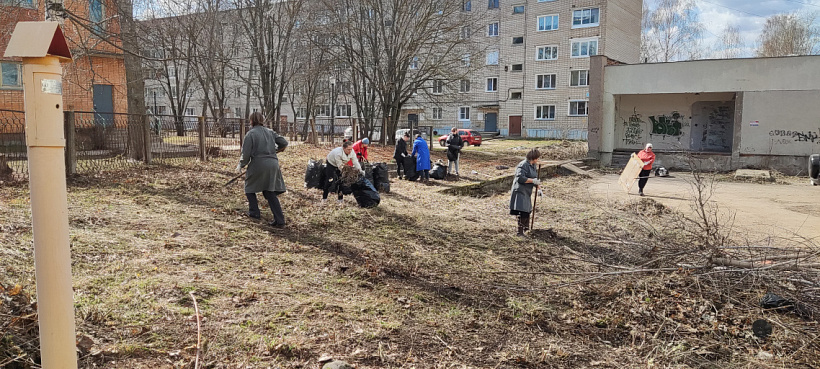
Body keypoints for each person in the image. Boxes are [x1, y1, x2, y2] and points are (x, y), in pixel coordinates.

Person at [236, 112, 288, 228]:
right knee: (269, 191)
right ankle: (280, 220)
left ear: (251, 121)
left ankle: (254, 213)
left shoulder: (250, 134)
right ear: (262, 120)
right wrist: (277, 150)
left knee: (249, 188)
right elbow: (284, 143)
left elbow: (246, 153)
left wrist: (241, 165)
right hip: (273, 164)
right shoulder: (270, 132)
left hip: (258, 164)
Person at [509, 149, 542, 237]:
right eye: (537, 158)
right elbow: (521, 178)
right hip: (520, 190)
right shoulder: (523, 165)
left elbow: (534, 178)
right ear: (533, 158)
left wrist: (538, 188)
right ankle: (520, 232)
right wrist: (533, 180)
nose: (538, 159)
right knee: (523, 210)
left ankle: (526, 229)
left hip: (527, 191)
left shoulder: (533, 165)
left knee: (528, 210)